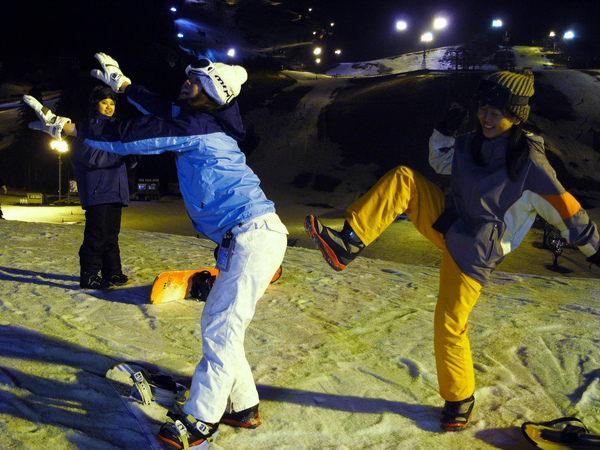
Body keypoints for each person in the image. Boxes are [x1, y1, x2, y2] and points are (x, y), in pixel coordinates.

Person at [304, 69, 600, 431]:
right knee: (404, 179)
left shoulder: (530, 166)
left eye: (496, 112)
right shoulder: (473, 143)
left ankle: (460, 398)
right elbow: (441, 161)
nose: (486, 117)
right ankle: (349, 243)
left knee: (449, 324)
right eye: (484, 108)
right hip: (448, 221)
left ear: (516, 115)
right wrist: (444, 131)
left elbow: (567, 209)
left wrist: (594, 251)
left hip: (475, 249)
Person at [24, 52, 288, 449]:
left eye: (194, 81)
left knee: (220, 329)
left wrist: (69, 126)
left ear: (212, 92)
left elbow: (131, 135)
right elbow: (163, 110)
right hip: (249, 236)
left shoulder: (198, 127)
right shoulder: (206, 121)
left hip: (251, 235)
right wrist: (124, 85)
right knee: (224, 328)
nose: (186, 83)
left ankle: (202, 418)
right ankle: (243, 404)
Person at [70, 86, 136, 290]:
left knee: (111, 234)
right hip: (98, 189)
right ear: (95, 104)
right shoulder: (86, 128)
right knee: (96, 235)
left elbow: (124, 160)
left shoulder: (116, 127)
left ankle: (112, 273)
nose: (109, 107)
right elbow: (91, 157)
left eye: (112, 103)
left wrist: (132, 154)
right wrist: (120, 153)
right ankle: (89, 275)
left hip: (115, 189)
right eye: (104, 102)